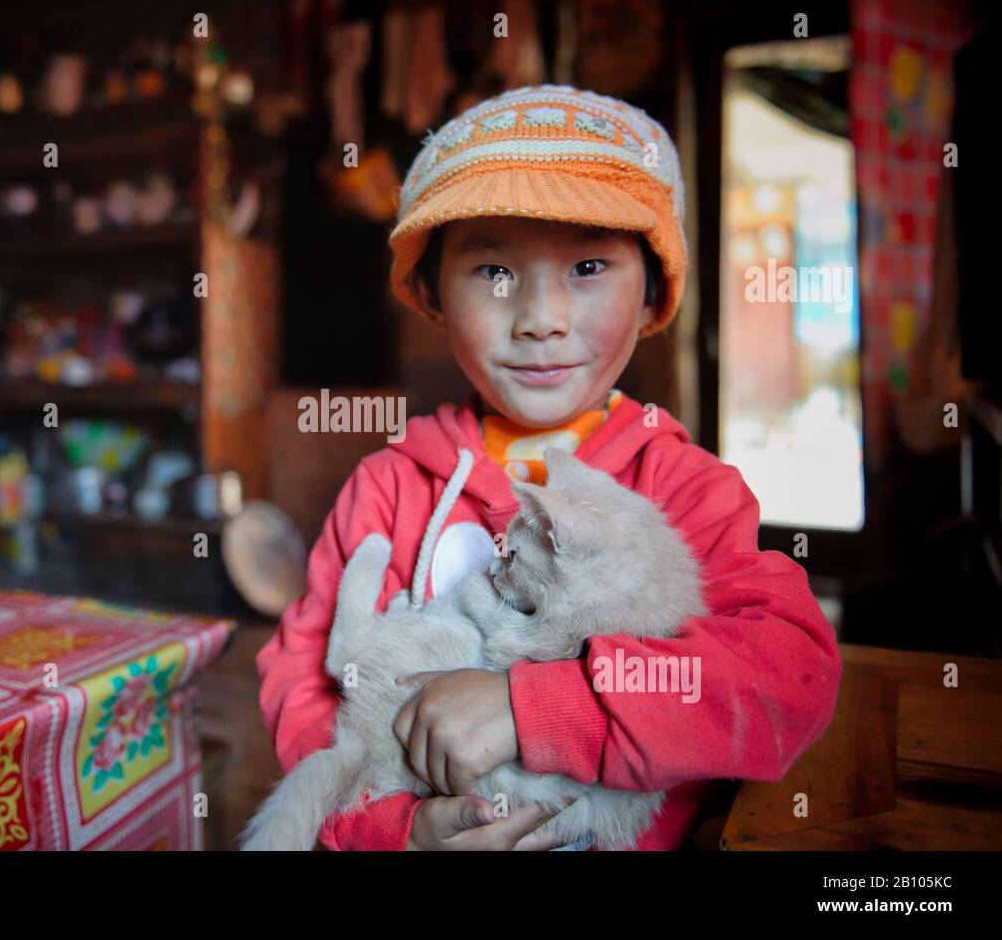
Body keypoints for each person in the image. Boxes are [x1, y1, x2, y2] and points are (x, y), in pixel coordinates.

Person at [256, 85, 842, 850]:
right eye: (494, 270)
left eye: (590, 265)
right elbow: (305, 684)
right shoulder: (388, 486)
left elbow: (785, 682)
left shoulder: (689, 494)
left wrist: (534, 709)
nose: (540, 317)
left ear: (654, 291)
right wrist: (395, 830)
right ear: (432, 292)